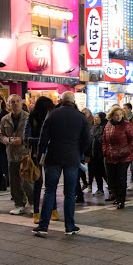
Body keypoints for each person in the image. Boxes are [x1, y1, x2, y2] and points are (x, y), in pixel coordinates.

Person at [32, 92, 91, 236]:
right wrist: (80, 153)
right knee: (70, 193)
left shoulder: (52, 115)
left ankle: (43, 226)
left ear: (61, 101)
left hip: (53, 157)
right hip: (72, 159)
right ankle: (69, 226)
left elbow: (43, 138)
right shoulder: (81, 117)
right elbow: (87, 140)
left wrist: (40, 157)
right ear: (74, 101)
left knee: (50, 190)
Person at [24, 96, 57, 224]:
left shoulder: (52, 118)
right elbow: (26, 138)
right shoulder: (32, 118)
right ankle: (36, 211)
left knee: (50, 183)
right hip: (36, 154)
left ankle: (53, 210)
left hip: (49, 153)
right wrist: (43, 140)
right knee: (38, 183)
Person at [0, 94, 32, 215]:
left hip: (25, 154)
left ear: (22, 103)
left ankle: (32, 203)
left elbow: (33, 135)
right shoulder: (5, 119)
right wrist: (6, 140)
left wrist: (22, 140)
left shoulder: (28, 117)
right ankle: (19, 204)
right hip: (11, 154)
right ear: (9, 104)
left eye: (17, 101)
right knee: (14, 181)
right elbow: (0, 135)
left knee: (28, 180)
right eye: (12, 102)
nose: (15, 104)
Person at [103, 106, 133, 209]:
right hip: (111, 155)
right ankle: (117, 196)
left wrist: (127, 150)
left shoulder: (127, 125)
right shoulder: (108, 125)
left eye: (120, 115)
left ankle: (121, 200)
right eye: (116, 115)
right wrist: (105, 151)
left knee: (121, 178)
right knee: (112, 178)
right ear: (112, 116)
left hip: (124, 156)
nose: (118, 117)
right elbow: (104, 139)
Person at [89, 114, 107, 197]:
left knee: (104, 172)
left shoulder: (105, 127)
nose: (95, 119)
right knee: (96, 172)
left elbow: (103, 139)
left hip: (101, 154)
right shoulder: (93, 127)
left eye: (97, 118)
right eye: (94, 118)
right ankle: (100, 188)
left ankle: (112, 188)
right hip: (93, 154)